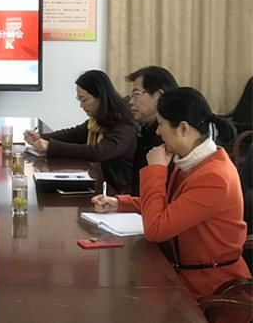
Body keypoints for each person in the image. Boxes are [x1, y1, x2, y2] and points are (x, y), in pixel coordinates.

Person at [91, 87, 250, 306]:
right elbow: (171, 206)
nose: (158, 132)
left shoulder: (214, 176)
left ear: (183, 128)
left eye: (161, 124)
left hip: (212, 290)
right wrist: (120, 203)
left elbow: (156, 229)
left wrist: (155, 170)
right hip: (184, 276)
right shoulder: (192, 162)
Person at [24, 70, 138, 193]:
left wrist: (51, 146)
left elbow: (97, 152)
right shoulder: (98, 119)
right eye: (79, 99)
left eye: (84, 99)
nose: (81, 105)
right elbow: (73, 134)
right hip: (102, 185)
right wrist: (41, 136)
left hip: (119, 191)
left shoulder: (123, 124)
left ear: (101, 97)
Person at [126, 66, 179, 195]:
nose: (131, 101)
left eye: (136, 94)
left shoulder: (169, 138)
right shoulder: (146, 130)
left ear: (159, 96)